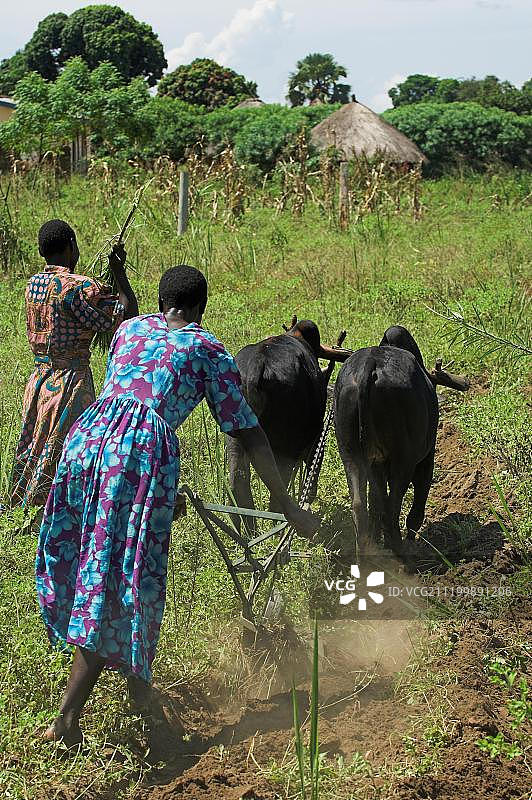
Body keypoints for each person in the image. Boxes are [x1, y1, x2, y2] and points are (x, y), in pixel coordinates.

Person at [36, 265, 319, 746]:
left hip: (86, 442)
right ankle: (67, 719)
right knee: (118, 581)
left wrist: (160, 493)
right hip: (138, 458)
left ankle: (140, 698)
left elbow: (128, 397)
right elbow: (247, 431)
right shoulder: (206, 347)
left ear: (161, 300)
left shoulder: (129, 328)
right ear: (201, 308)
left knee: (103, 568)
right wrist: (285, 501)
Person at [11, 219, 138, 510]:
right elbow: (126, 316)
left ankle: (27, 507)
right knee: (71, 451)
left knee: (37, 448)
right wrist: (119, 273)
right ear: (71, 246)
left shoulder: (34, 284)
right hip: (71, 383)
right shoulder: (80, 288)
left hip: (39, 381)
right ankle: (60, 512)